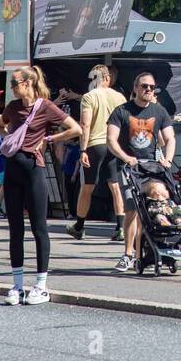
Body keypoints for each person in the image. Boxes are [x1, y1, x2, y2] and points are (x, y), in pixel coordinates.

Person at [1, 66, 81, 305]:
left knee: (39, 229)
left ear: (28, 83)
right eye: (12, 83)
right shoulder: (13, 107)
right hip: (12, 170)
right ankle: (16, 286)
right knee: (15, 229)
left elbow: (75, 129)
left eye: (15, 83)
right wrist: (3, 131)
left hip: (34, 170)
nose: (12, 87)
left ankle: (40, 285)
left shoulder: (45, 106)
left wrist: (49, 139)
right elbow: (3, 125)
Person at [107, 72, 176, 273]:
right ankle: (128, 254)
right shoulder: (121, 111)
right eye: (144, 86)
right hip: (128, 168)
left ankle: (155, 248)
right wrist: (125, 157)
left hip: (152, 167)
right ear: (135, 88)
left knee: (161, 202)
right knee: (132, 210)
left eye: (151, 87)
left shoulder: (159, 111)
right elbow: (111, 139)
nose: (148, 90)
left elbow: (170, 138)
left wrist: (168, 160)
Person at [66, 64, 127, 242]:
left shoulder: (89, 97)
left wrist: (82, 149)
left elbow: (85, 125)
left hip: (95, 145)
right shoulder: (120, 97)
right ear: (107, 78)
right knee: (115, 186)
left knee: (87, 187)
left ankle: (79, 226)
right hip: (114, 145)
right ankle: (120, 227)